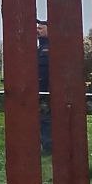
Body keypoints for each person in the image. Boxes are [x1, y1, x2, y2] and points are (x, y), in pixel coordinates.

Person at [36, 19, 52, 155]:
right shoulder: (40, 48)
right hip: (40, 91)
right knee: (42, 119)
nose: (37, 31)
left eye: (41, 28)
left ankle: (49, 149)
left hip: (49, 92)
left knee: (46, 120)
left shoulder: (53, 48)